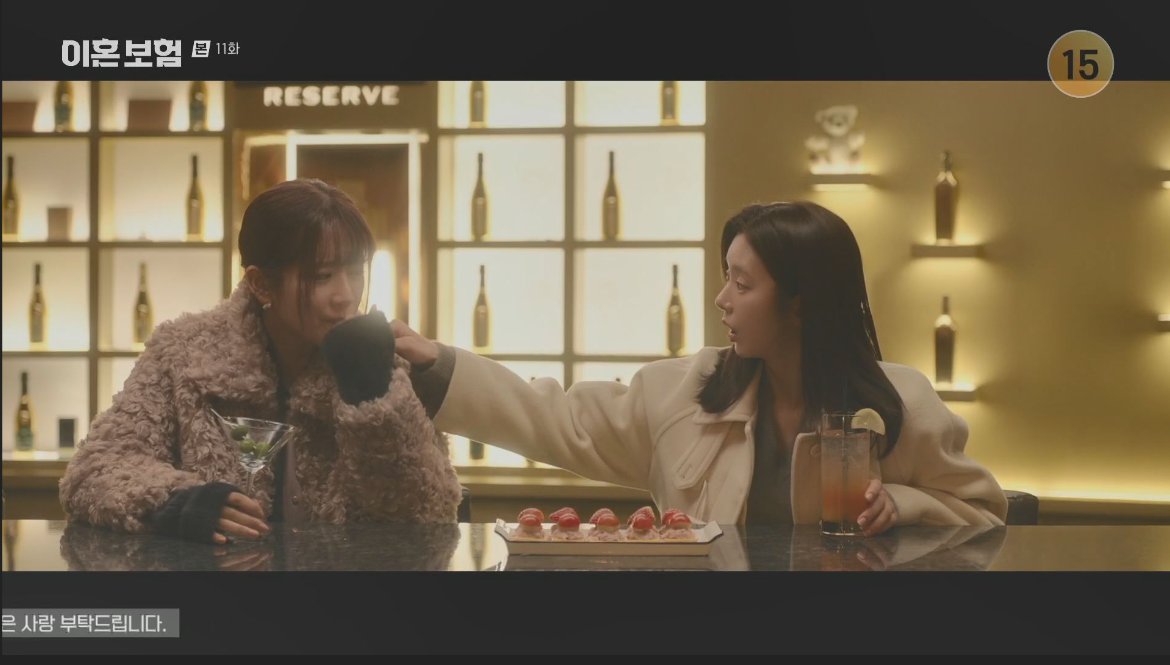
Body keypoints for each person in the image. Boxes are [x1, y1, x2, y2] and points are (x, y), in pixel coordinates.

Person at [395, 201, 1007, 535]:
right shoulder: (684, 392)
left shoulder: (899, 406)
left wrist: (902, 501)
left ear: (800, 303)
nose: (721, 299)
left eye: (742, 283)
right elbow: (554, 418)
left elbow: (986, 514)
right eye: (725, 278)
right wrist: (438, 363)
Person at [60, 179, 462, 544]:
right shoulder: (182, 354)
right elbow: (94, 470)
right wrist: (181, 503)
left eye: (355, 272)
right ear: (260, 283)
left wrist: (376, 404)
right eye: (322, 276)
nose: (345, 296)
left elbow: (432, 510)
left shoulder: (384, 362)